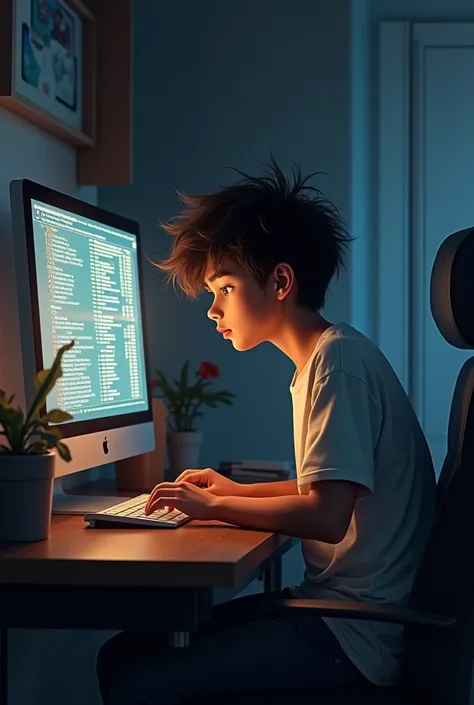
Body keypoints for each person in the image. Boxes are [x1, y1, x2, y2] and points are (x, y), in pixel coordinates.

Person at [96, 159, 436, 705]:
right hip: (344, 614)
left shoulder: (337, 366)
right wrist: (231, 492)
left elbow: (326, 517)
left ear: (280, 281)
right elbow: (323, 490)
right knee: (121, 653)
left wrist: (214, 509)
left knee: (137, 679)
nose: (213, 310)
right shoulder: (326, 359)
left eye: (224, 289)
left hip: (355, 637)